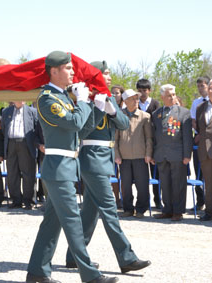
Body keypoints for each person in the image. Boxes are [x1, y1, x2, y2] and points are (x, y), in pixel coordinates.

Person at [26, 51, 116, 283]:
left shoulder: (64, 97)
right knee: (73, 222)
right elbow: (74, 122)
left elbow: (81, 131)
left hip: (66, 166)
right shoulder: (47, 98)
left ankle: (37, 272)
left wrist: (96, 107)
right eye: (68, 68)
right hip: (58, 168)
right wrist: (84, 102)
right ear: (53, 71)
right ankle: (90, 276)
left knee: (51, 224)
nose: (73, 72)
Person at [66, 60, 151, 276]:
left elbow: (123, 124)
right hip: (92, 158)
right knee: (110, 210)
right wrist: (97, 107)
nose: (109, 77)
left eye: (109, 73)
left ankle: (74, 256)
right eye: (104, 73)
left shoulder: (109, 97)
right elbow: (80, 132)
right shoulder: (83, 99)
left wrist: (113, 111)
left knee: (90, 213)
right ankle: (126, 258)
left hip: (105, 158)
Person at [152, 84, 192, 221]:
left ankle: (178, 211)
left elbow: (187, 136)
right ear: (162, 97)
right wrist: (153, 154)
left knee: (178, 183)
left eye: (174, 94)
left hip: (178, 155)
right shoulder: (156, 114)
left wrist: (187, 155)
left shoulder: (184, 113)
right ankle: (167, 210)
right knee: (165, 184)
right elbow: (153, 136)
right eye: (169, 95)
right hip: (161, 154)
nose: (172, 97)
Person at [114, 89, 153, 218]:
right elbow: (115, 139)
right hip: (124, 158)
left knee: (142, 185)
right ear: (125, 101)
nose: (136, 101)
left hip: (140, 156)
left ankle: (141, 209)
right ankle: (128, 209)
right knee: (125, 185)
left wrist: (148, 153)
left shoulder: (145, 116)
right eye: (133, 98)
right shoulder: (119, 116)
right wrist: (117, 154)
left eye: (137, 98)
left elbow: (149, 138)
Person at [1, 101, 38, 210]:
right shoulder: (6, 111)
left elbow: (36, 129)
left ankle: (28, 201)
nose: (19, 100)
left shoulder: (32, 111)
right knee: (12, 173)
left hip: (26, 144)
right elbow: (4, 128)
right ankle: (16, 200)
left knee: (28, 174)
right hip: (11, 143)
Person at [136, 78, 161, 208]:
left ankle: (158, 200)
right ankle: (144, 201)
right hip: (140, 142)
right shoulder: (135, 104)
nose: (142, 93)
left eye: (144, 90)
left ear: (149, 90)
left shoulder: (156, 104)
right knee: (142, 175)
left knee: (156, 174)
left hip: (154, 142)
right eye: (139, 91)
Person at [190, 76, 210, 211]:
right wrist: (198, 134)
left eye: (202, 86)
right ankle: (200, 202)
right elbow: (193, 120)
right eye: (198, 86)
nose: (200, 89)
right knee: (198, 173)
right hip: (199, 140)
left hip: (207, 139)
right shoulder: (197, 103)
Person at [195, 80, 212, 221]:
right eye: (211, 88)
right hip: (205, 151)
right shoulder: (201, 107)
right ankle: (209, 211)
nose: (211, 90)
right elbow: (200, 128)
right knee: (208, 183)